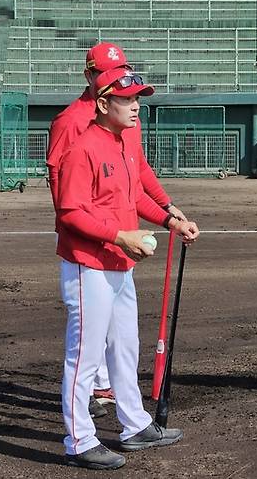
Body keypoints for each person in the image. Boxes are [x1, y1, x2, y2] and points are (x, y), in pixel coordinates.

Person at [55, 67, 200, 469]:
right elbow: (70, 214)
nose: (136, 106)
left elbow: (135, 197)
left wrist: (171, 220)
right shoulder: (81, 148)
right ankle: (79, 440)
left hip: (119, 263)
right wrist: (120, 237)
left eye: (138, 99)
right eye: (127, 100)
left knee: (124, 348)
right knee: (84, 357)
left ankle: (134, 425)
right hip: (88, 266)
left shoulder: (120, 144)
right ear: (103, 104)